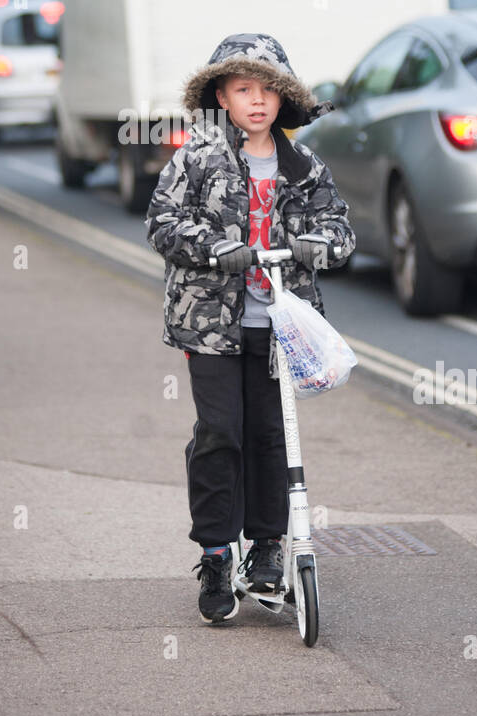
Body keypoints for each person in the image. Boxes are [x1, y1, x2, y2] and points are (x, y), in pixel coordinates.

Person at [144, 33, 355, 624]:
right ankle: (215, 553)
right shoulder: (197, 156)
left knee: (270, 436)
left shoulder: (304, 166)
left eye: (267, 90)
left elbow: (340, 231)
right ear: (222, 96)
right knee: (220, 432)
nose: (256, 101)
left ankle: (265, 548)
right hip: (209, 326)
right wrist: (218, 249)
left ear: (283, 98)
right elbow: (162, 223)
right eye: (243, 90)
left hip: (279, 325)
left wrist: (318, 245)